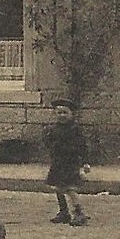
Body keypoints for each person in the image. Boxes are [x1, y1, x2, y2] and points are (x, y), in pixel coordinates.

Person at [42, 97, 91, 226]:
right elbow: (48, 143)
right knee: (58, 187)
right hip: (58, 162)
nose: (62, 115)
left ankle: (79, 212)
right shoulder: (53, 129)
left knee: (69, 188)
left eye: (65, 112)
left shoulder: (75, 129)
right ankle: (64, 212)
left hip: (71, 162)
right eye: (59, 113)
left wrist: (85, 162)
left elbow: (83, 147)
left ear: (71, 114)